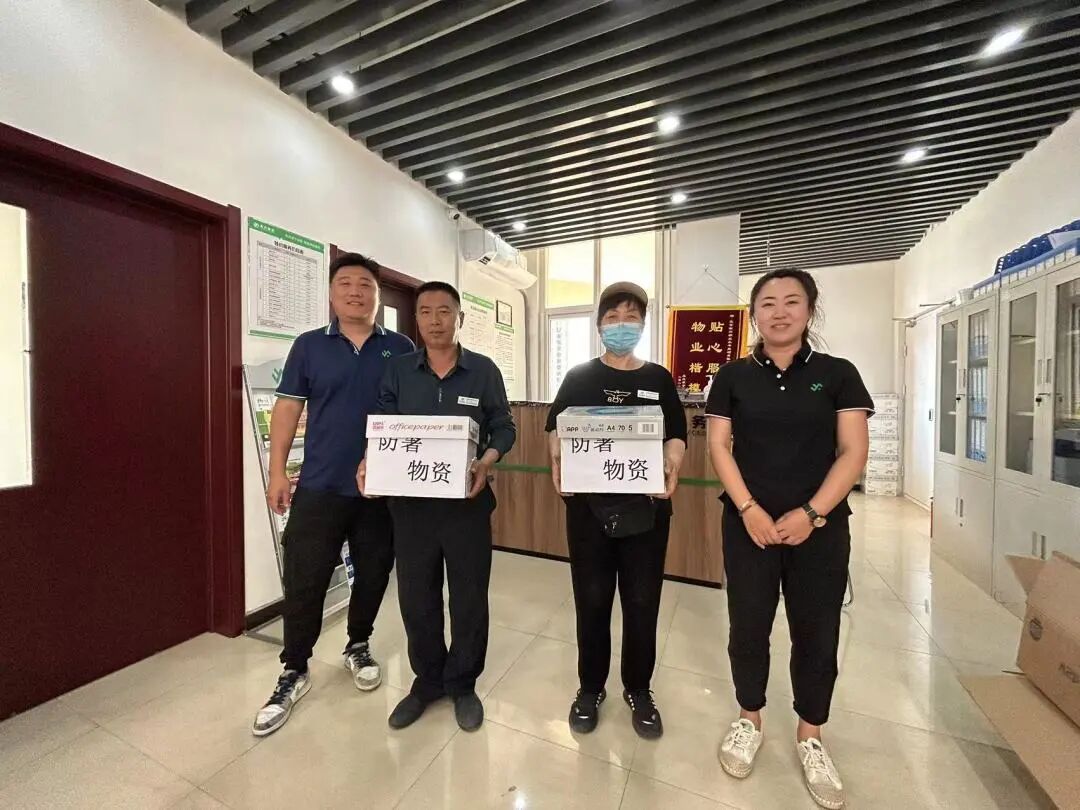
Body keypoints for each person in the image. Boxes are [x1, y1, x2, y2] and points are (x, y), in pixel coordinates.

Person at [705, 268, 872, 809]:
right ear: (753, 314)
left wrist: (812, 512)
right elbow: (719, 446)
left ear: (810, 310)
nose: (779, 312)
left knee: (817, 631)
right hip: (748, 526)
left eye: (792, 301)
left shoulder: (838, 373)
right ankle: (749, 718)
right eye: (768, 303)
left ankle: (811, 734)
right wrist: (748, 508)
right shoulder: (732, 375)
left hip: (820, 529)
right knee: (748, 625)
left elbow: (853, 451)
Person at [251, 253, 415, 737]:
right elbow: (287, 408)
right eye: (345, 283)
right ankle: (293, 668)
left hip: (380, 490)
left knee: (374, 573)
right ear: (330, 293)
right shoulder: (309, 346)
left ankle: (357, 644)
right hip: (320, 485)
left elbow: (415, 414)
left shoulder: (401, 347)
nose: (355, 292)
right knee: (306, 576)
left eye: (365, 284)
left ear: (377, 296)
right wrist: (277, 473)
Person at [358, 281, 516, 732]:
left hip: (467, 505)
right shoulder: (399, 371)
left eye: (444, 311)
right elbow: (382, 426)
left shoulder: (483, 371)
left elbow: (504, 427)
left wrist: (487, 459)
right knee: (417, 597)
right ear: (417, 319)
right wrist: (370, 462)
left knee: (469, 598)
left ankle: (463, 684)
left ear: (459, 318)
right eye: (425, 312)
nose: (434, 320)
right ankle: (427, 682)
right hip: (411, 508)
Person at [545, 282, 687, 740]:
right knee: (591, 601)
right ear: (599, 325)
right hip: (589, 512)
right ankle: (590, 689)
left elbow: (676, 434)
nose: (621, 326)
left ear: (643, 325)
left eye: (631, 318)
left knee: (643, 602)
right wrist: (557, 460)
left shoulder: (658, 379)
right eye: (612, 317)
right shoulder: (579, 377)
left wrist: (672, 463)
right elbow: (555, 429)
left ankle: (639, 690)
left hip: (646, 511)